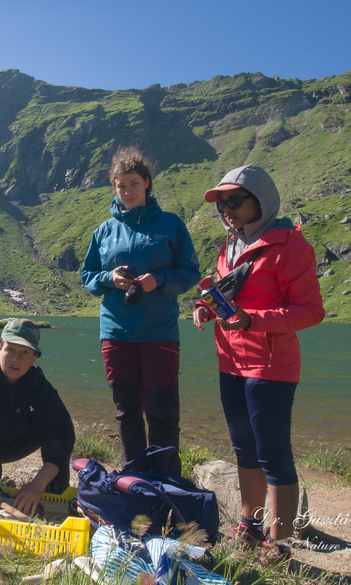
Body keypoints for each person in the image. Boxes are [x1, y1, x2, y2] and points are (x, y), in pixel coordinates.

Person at [193, 164, 325, 561]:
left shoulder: (290, 246)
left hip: (270, 366)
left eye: (236, 201)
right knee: (244, 452)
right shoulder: (228, 247)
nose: (227, 210)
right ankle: (249, 529)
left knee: (273, 455)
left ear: (261, 200)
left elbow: (311, 311)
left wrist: (254, 320)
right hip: (230, 361)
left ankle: (279, 542)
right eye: (222, 205)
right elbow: (225, 294)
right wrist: (204, 306)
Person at [81, 146, 200, 475]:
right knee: (127, 410)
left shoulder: (171, 225)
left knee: (162, 411)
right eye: (121, 185)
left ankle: (166, 480)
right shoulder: (103, 231)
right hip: (116, 332)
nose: (128, 191)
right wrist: (109, 277)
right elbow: (88, 277)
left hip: (159, 331)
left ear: (147, 182)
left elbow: (190, 272)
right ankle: (132, 478)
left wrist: (159, 279)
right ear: (114, 188)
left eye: (134, 183)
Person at [0, 319, 75, 514]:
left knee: (50, 425)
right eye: (10, 349)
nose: (16, 358)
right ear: (0, 348)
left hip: (13, 440)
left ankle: (55, 494)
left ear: (34, 358)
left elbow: (63, 430)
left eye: (24, 352)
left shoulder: (35, 380)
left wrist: (39, 482)